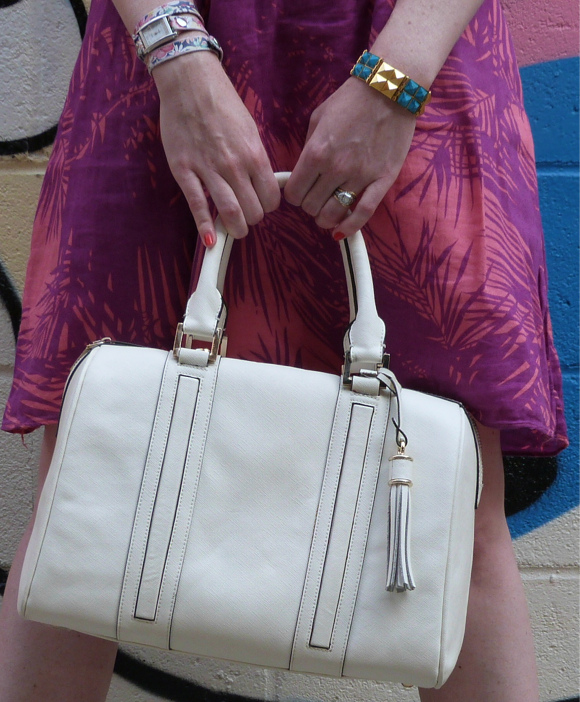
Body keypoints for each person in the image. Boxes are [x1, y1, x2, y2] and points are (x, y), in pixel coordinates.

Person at [0, 0, 568, 699]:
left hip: (416, 44)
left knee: (454, 512)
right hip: (165, 50)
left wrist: (394, 81)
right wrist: (176, 58)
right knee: (86, 490)